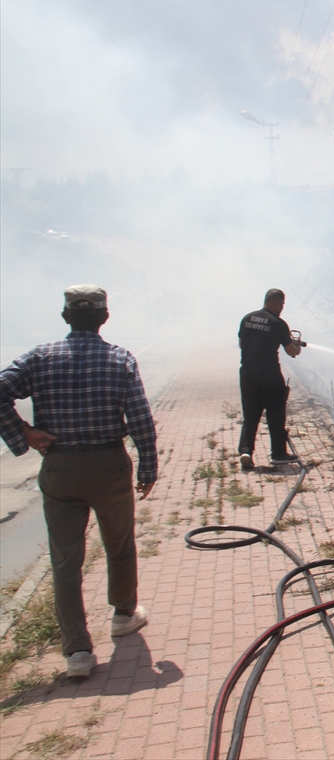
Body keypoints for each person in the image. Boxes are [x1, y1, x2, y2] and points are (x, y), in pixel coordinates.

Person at [0, 285, 156, 679]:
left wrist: (24, 434)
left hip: (60, 467)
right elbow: (139, 418)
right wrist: (147, 467)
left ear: (66, 316)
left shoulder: (39, 357)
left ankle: (78, 653)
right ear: (104, 317)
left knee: (65, 561)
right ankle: (123, 615)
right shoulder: (119, 358)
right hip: (108, 465)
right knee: (119, 543)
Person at [237, 288, 302, 469]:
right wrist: (298, 348)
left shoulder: (247, 318)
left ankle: (246, 452)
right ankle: (278, 454)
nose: (282, 308)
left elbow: (242, 344)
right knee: (275, 413)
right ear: (275, 303)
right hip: (269, 374)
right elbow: (291, 351)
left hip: (247, 374)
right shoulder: (278, 323)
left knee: (250, 415)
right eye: (281, 304)